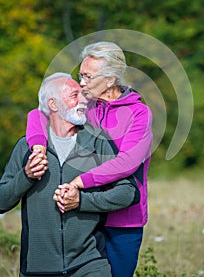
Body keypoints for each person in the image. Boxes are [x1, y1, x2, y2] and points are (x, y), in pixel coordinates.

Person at [26, 42, 153, 277]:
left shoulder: (139, 113)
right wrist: (38, 147)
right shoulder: (85, 104)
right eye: (80, 75)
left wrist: (79, 182)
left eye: (88, 76)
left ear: (110, 80)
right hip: (84, 217)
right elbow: (38, 113)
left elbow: (127, 163)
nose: (82, 82)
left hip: (123, 220)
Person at [0, 73, 139, 277]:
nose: (83, 100)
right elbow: (2, 201)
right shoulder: (26, 148)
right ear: (53, 104)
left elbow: (129, 193)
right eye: (75, 95)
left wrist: (81, 201)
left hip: (90, 264)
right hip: (37, 268)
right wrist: (27, 175)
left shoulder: (97, 142)